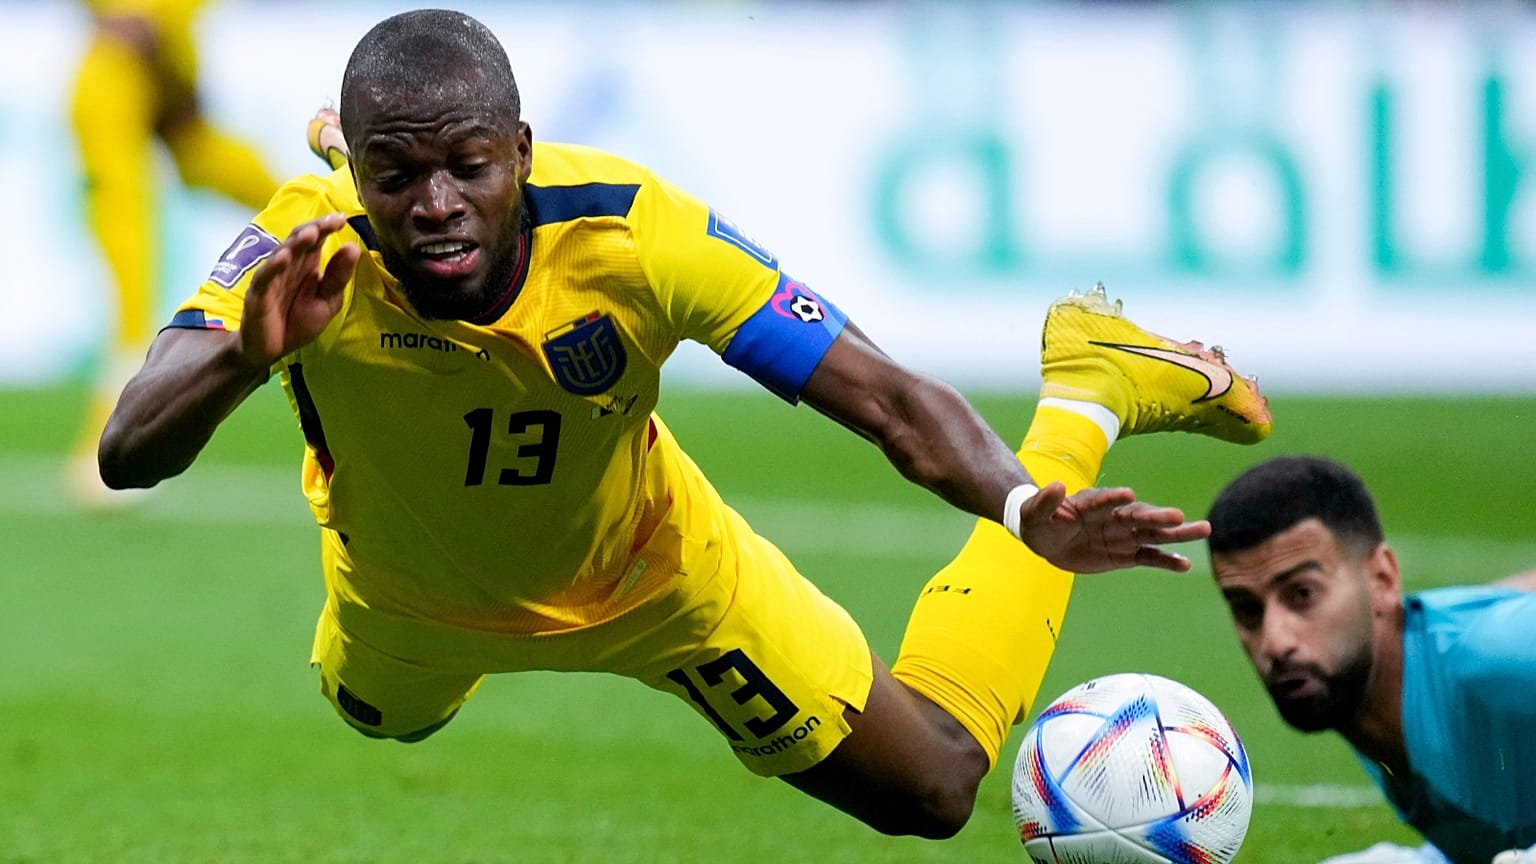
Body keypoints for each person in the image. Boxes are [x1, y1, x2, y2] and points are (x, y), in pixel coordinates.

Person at [98, 8, 1273, 839]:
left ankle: (1087, 393)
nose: (438, 206)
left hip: (655, 576)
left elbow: (884, 397)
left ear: (521, 150)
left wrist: (1024, 503)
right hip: (408, 610)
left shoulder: (637, 235)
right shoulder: (304, 246)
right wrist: (247, 357)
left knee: (935, 791)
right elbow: (128, 449)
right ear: (353, 169)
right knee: (376, 722)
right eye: (398, 177)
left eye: (468, 166)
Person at [1206, 455, 1536, 864]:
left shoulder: (1492, 657)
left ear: (1382, 579)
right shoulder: (1373, 693)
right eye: (1247, 609)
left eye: (1303, 594)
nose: (1275, 642)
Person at [67, 0, 280, 505]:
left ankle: (331, 217)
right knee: (130, 230)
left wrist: (172, 63)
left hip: (144, 51)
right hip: (125, 57)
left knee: (192, 163)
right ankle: (118, 415)